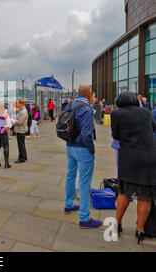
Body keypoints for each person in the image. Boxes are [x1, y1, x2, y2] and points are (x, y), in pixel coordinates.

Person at [112, 92, 156, 244]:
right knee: (145, 195)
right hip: (148, 157)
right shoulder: (145, 112)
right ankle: (140, 229)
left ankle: (117, 223)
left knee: (124, 191)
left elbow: (115, 135)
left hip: (128, 158)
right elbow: (153, 126)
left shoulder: (116, 114)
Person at [64, 85, 102, 229]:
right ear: (89, 94)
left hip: (70, 146)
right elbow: (87, 134)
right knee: (85, 183)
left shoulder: (70, 105)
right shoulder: (86, 109)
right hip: (82, 148)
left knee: (70, 175)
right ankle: (85, 218)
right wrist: (91, 150)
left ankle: (68, 204)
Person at [14, 99, 28, 163]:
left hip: (21, 130)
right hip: (21, 129)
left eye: (17, 103)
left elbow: (20, 122)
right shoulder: (21, 110)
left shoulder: (23, 111)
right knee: (22, 144)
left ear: (21, 104)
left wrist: (13, 120)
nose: (16, 104)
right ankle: (24, 156)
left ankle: (21, 158)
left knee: (20, 145)